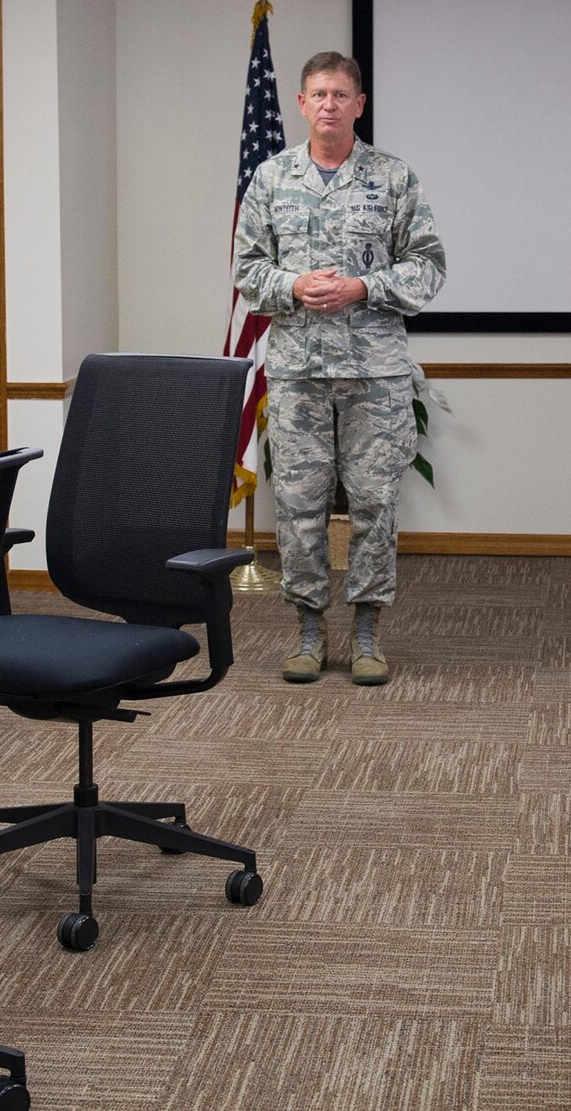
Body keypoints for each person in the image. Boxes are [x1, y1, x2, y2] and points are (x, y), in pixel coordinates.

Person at [233, 51, 447, 687]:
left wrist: (364, 287)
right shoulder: (271, 180)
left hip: (375, 378)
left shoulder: (393, 178)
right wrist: (295, 285)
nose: (329, 104)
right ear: (301, 104)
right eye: (318, 94)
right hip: (298, 374)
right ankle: (306, 628)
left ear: (359, 104)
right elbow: (246, 270)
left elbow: (429, 266)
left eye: (340, 95)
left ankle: (366, 631)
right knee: (298, 504)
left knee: (376, 503)